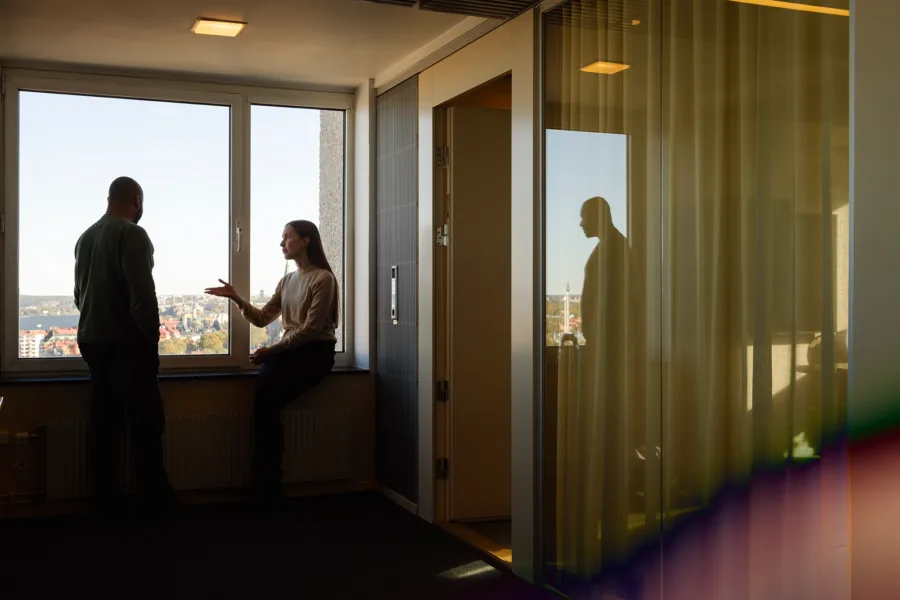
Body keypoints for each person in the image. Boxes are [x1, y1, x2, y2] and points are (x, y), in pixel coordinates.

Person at [205, 220, 338, 503]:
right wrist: (236, 299)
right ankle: (266, 482)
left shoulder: (323, 279)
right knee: (264, 405)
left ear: (305, 241)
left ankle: (266, 483)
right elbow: (263, 319)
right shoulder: (287, 280)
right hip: (292, 351)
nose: (281, 243)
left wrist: (272, 351)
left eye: (287, 237)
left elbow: (312, 331)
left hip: (315, 353)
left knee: (265, 404)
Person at [75, 176, 175, 516]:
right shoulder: (133, 234)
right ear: (136, 199)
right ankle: (157, 501)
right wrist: (150, 338)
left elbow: (79, 296)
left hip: (92, 339)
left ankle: (107, 500)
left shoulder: (85, 237)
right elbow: (141, 295)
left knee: (104, 422)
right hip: (128, 344)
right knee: (146, 422)